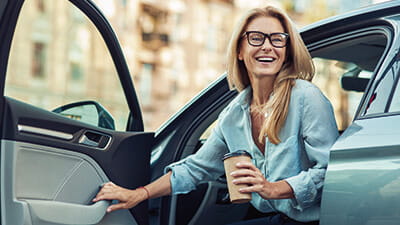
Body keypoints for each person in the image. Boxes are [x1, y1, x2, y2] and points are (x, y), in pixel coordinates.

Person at [93, 5, 339, 225]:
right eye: (256, 38)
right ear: (240, 51)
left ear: (286, 51)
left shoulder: (306, 98)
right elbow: (195, 169)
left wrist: (272, 189)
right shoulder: (233, 115)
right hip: (278, 218)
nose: (267, 46)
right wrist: (138, 194)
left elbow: (332, 172)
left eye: (277, 39)